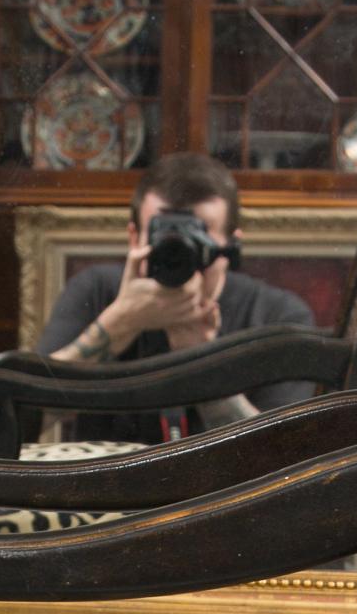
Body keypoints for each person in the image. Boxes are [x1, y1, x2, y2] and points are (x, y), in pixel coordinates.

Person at [30, 152, 315, 442]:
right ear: (134, 238)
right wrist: (119, 323)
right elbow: (24, 420)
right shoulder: (97, 292)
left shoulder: (278, 317)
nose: (179, 253)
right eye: (163, 236)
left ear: (230, 246)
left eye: (197, 238)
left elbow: (283, 454)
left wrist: (203, 361)